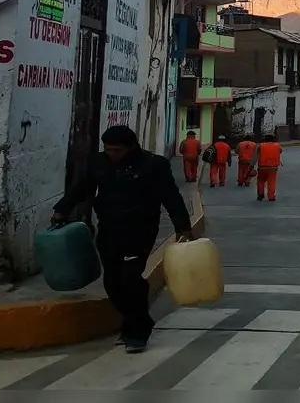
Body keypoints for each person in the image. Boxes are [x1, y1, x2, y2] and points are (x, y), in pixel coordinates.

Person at [51, 125, 193, 354]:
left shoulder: (153, 165)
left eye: (117, 150)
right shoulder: (98, 162)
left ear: (132, 147)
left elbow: (171, 196)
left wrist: (182, 227)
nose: (112, 154)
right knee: (112, 283)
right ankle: (133, 322)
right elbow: (83, 188)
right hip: (109, 228)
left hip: (141, 230)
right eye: (108, 149)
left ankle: (138, 331)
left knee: (129, 278)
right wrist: (62, 209)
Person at [253, 133, 283, 201]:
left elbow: (255, 157)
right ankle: (271, 196)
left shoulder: (261, 146)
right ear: (273, 139)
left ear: (265, 140)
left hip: (262, 167)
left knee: (261, 181)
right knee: (271, 182)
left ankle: (260, 194)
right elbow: (280, 151)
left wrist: (252, 165)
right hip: (273, 167)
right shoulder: (277, 146)